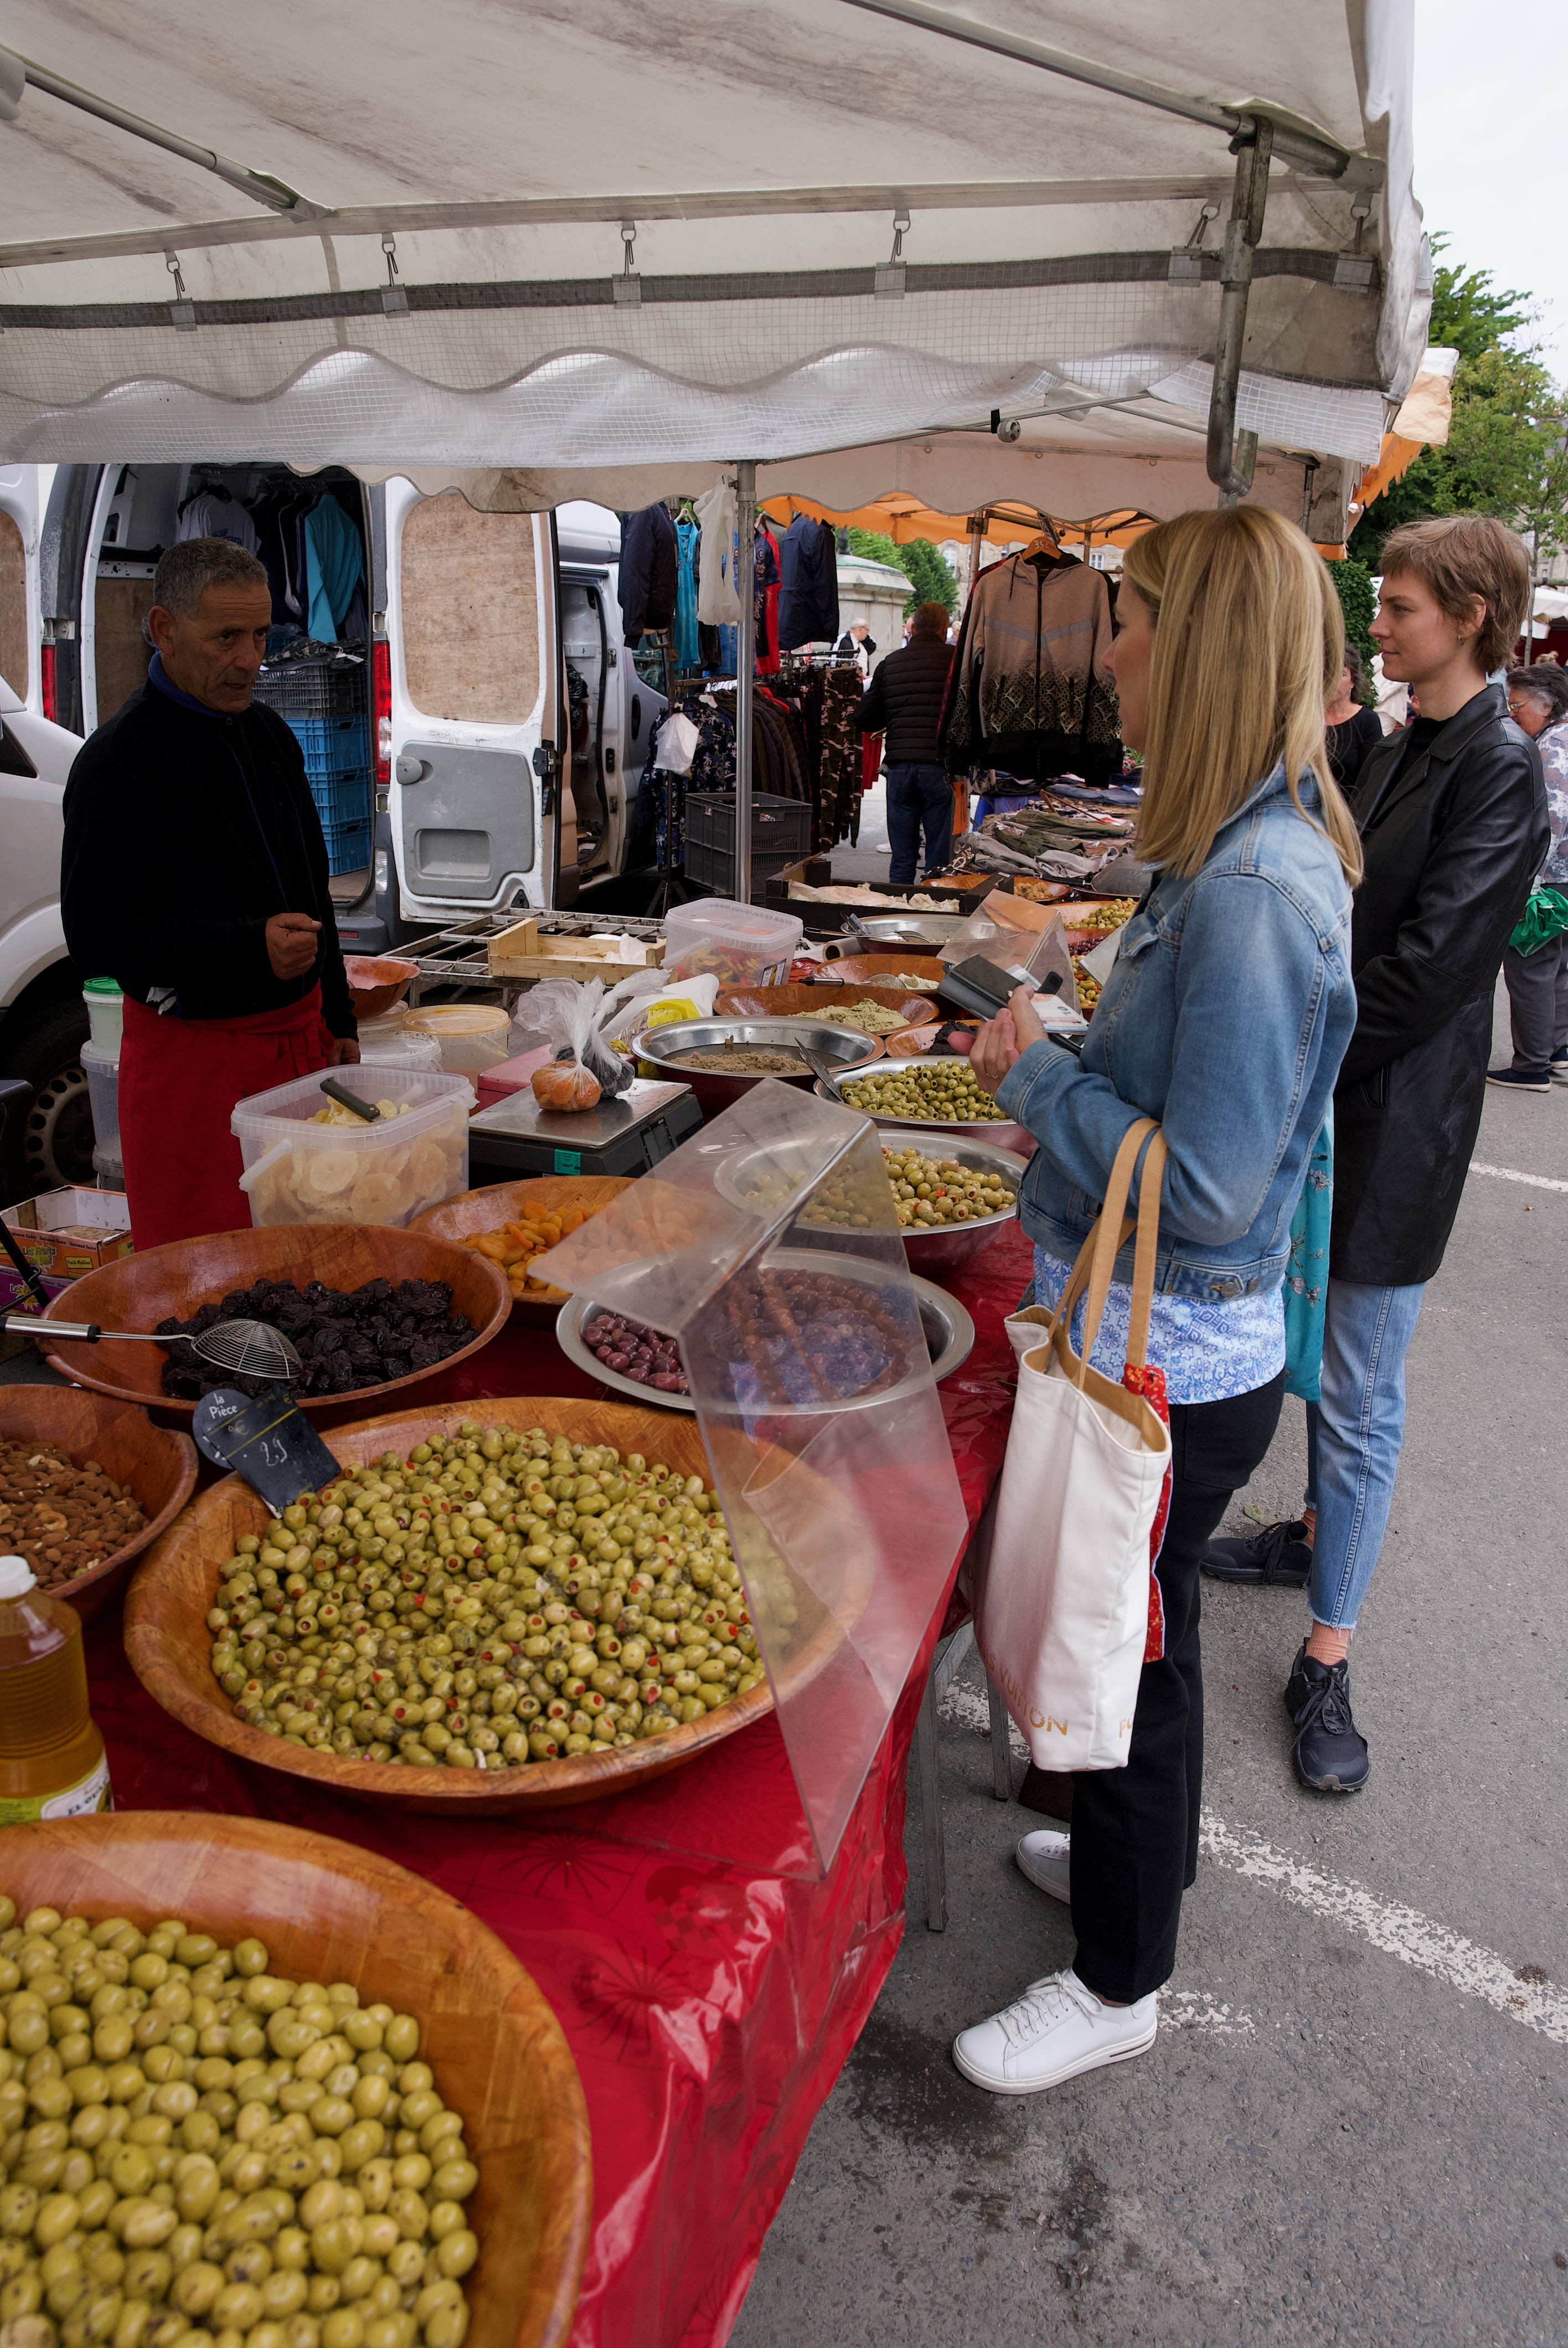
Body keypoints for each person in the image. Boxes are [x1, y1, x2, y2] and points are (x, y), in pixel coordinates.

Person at [950, 507, 1359, 2096]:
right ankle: (1140, 1865)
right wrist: (1069, 1031)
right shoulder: (1234, 848)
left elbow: (1207, 1190)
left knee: (1121, 1650)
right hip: (1167, 1339)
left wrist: (1039, 1077)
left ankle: (1120, 1978)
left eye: (1128, 620)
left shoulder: (1251, 884)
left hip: (1169, 1352)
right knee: (1143, 1631)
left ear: (1192, 649)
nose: (1106, 650)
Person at [1205, 517, 1546, 1794]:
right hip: (1339, 1105)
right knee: (1320, 1355)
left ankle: (1329, 1650)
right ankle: (1307, 1533)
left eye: (1400, 606)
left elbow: (1423, 975)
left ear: (1469, 615)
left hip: (1394, 1126)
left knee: (1357, 1393)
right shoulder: (1404, 742)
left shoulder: (1497, 770)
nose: (1382, 622)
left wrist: (1287, 1053)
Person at [61, 538, 359, 1250]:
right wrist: (248, 947)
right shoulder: (118, 761)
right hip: (193, 1077)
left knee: (311, 1263)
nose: (250, 659)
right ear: (165, 630)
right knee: (206, 1279)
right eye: (226, 637)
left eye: (260, 635)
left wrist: (340, 1014)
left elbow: (312, 891)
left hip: (299, 1052)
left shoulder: (271, 735)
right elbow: (97, 934)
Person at [1488, 662, 1568, 1088]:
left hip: (1549, 878)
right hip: (1563, 877)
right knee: (1559, 967)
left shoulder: (1551, 748)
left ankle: (1532, 1064)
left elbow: (1550, 824)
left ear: (1547, 705)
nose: (1512, 712)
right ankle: (1558, 1050)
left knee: (1530, 966)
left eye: (1518, 705)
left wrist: (1527, 881)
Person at [856, 602, 955, 883]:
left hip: (899, 766)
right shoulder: (956, 661)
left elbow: (864, 718)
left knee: (902, 857)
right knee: (938, 860)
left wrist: (895, 716)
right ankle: (936, 905)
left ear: (913, 627)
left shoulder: (891, 663)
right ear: (944, 627)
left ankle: (899, 904)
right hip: (938, 765)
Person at [1324, 644, 1384, 791]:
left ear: (1353, 681)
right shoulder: (1308, 717)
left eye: (1341, 674)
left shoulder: (1367, 721)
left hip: (1347, 802)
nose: (1333, 680)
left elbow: (1369, 780)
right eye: (1328, 672)